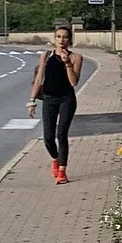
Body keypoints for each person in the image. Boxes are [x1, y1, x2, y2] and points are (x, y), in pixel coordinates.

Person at [28, 23, 85, 183]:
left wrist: (67, 63)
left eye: (65, 37)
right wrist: (31, 101)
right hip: (49, 99)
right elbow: (39, 80)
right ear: (55, 38)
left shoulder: (76, 58)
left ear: (70, 39)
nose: (62, 40)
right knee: (47, 137)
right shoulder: (46, 56)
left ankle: (62, 172)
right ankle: (55, 158)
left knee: (61, 134)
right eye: (59, 37)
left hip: (66, 98)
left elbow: (74, 82)